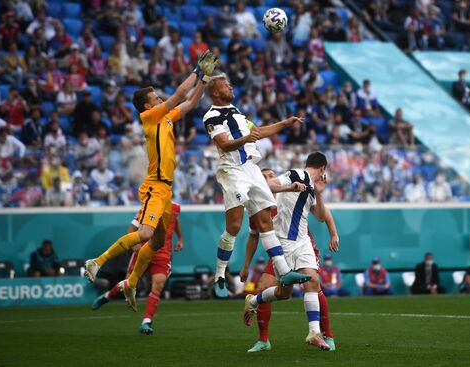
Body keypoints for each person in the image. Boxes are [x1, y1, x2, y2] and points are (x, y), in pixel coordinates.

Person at [84, 50, 219, 312]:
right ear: (148, 106)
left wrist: (204, 79)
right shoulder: (149, 117)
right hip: (155, 186)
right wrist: (196, 71)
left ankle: (130, 283)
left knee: (157, 241)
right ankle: (97, 261)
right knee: (144, 234)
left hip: (167, 190)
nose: (160, 98)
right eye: (156, 97)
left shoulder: (166, 118)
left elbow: (190, 103)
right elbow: (180, 95)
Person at [203, 74, 311, 298]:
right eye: (225, 85)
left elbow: (259, 133)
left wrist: (285, 123)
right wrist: (246, 139)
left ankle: (284, 271)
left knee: (265, 222)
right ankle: (220, 275)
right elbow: (223, 144)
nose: (229, 86)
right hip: (232, 170)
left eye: (229, 83)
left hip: (252, 168)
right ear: (215, 92)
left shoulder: (237, 113)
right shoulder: (211, 116)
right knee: (233, 226)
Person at [240, 167, 340, 352]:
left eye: (272, 175)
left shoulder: (290, 193)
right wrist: (246, 265)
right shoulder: (257, 206)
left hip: (301, 245)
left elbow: (322, 212)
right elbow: (253, 236)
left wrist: (333, 234)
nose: (269, 179)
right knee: (267, 289)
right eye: (264, 177)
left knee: (313, 285)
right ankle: (263, 340)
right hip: (278, 253)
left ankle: (327, 335)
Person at [92, 201, 183, 335]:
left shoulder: (175, 207)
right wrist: (134, 244)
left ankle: (146, 322)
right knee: (127, 286)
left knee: (158, 286)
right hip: (143, 253)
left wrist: (180, 238)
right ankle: (107, 296)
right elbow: (131, 229)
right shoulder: (146, 208)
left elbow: (176, 222)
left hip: (162, 255)